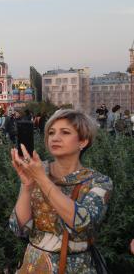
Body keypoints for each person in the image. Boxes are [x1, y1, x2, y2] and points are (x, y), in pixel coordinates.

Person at [9, 109, 113, 273]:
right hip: (32, 266)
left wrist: (42, 179)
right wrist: (27, 186)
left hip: (74, 268)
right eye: (51, 133)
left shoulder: (98, 182)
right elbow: (19, 228)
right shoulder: (37, 170)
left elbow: (82, 223)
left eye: (65, 132)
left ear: (83, 141)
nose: (55, 138)